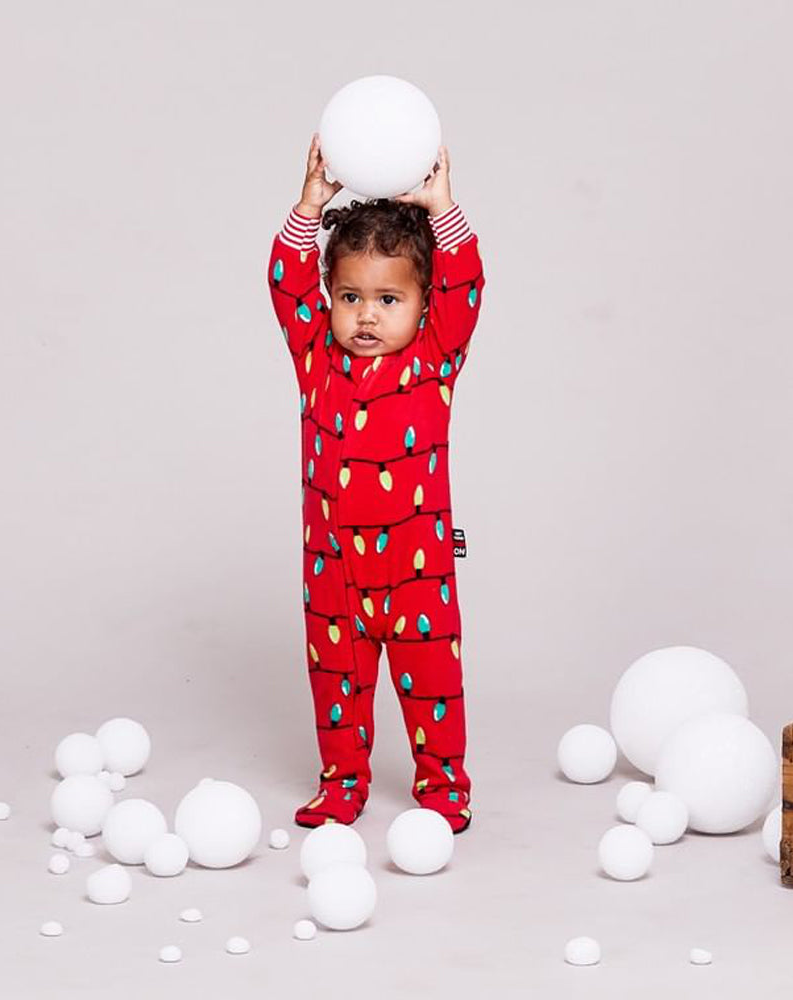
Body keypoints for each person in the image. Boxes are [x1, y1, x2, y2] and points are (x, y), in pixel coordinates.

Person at [267, 133, 486, 833]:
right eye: (350, 296)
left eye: (389, 298)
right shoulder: (316, 361)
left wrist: (442, 206)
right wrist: (308, 207)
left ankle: (446, 786)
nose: (366, 315)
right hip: (333, 572)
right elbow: (285, 283)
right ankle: (342, 782)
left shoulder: (434, 361)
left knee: (434, 691)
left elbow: (466, 284)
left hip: (416, 571)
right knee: (336, 686)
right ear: (330, 299)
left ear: (423, 305)